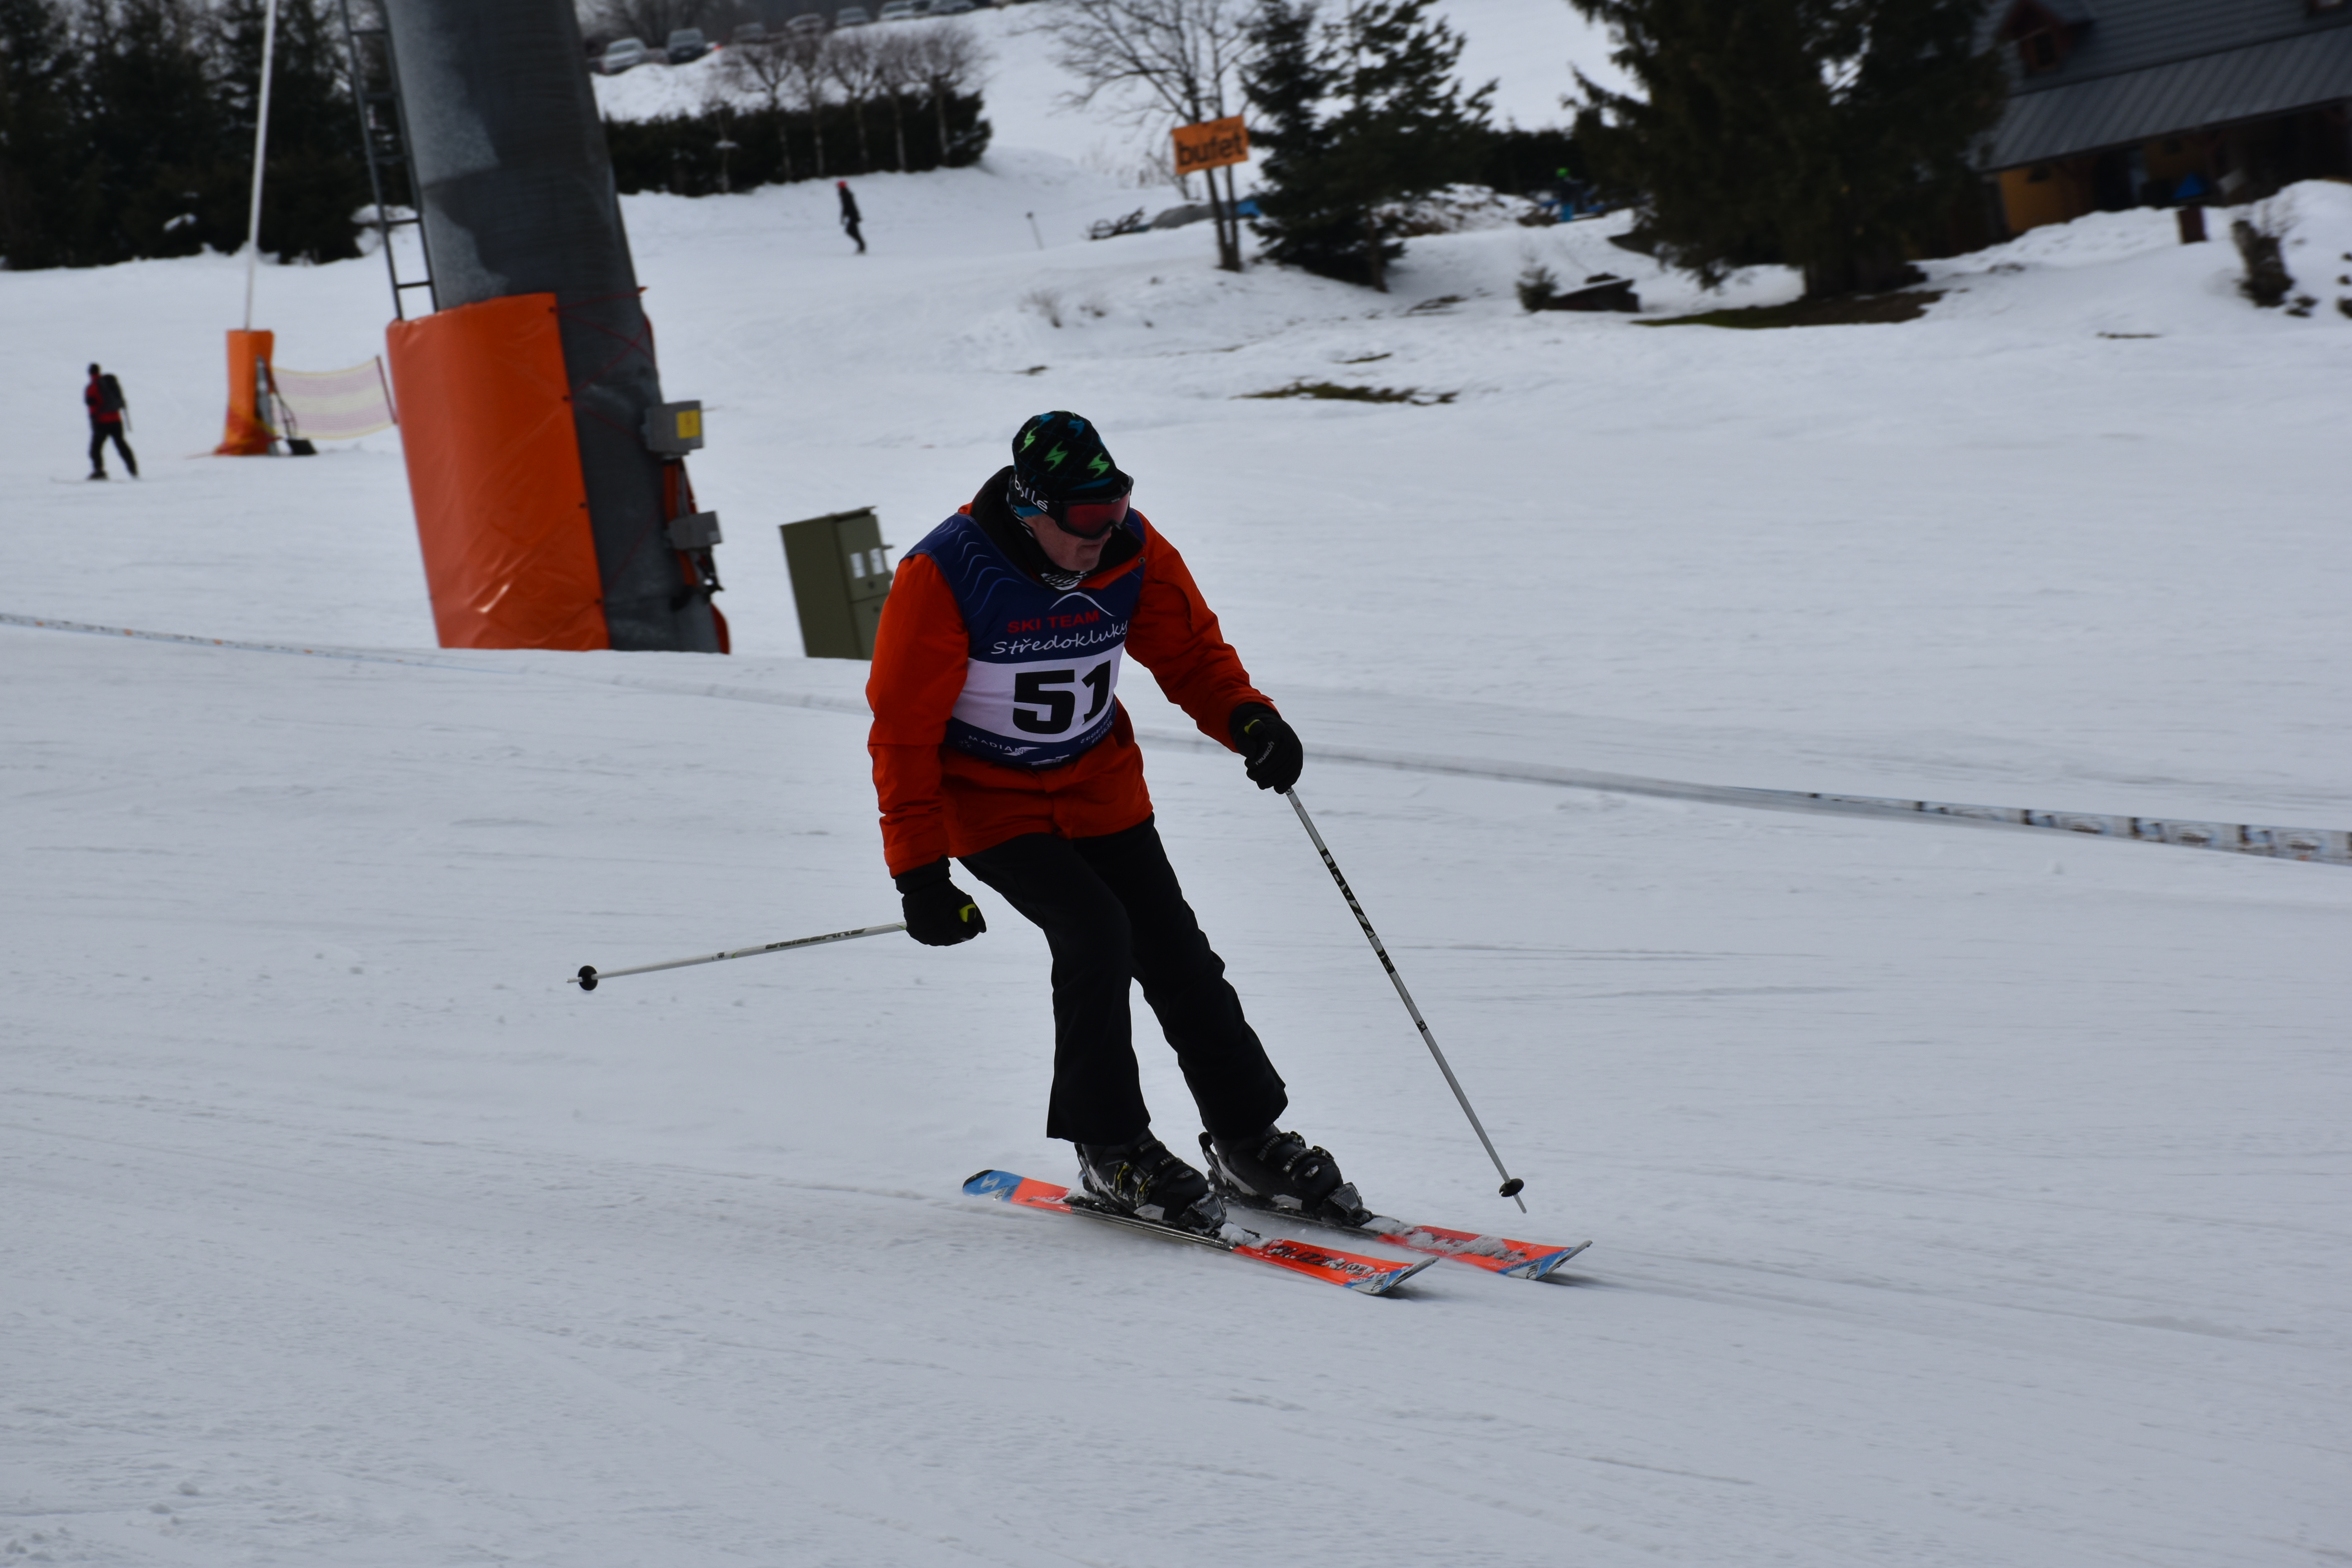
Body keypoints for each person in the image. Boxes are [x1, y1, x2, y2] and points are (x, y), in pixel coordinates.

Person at [865, 411, 1357, 1237]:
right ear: (1031, 509)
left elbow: (1190, 654)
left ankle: (1247, 1140)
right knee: (1095, 931)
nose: (1103, 535)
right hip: (990, 804)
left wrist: (1247, 717)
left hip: (1100, 788)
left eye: (1116, 509)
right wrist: (920, 874)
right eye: (1086, 518)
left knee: (1176, 950)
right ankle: (1110, 1147)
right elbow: (903, 733)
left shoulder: (1133, 549)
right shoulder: (945, 574)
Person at [85, 363, 136, 480]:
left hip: (102, 422)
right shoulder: (109, 383)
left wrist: (94, 422)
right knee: (121, 445)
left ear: (90, 373)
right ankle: (133, 469)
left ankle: (99, 471)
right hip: (117, 420)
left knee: (95, 449)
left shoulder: (92, 387)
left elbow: (93, 408)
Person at [837, 180, 865, 254]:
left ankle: (862, 246)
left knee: (850, 231)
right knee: (852, 231)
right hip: (853, 216)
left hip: (853, 216)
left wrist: (844, 217)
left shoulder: (846, 195)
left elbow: (848, 207)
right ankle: (862, 246)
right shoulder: (845, 194)